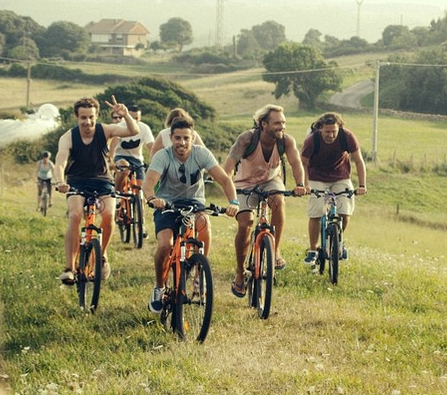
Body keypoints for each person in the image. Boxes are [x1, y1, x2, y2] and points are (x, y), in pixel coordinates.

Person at [141, 116, 239, 313]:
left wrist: (233, 202)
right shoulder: (163, 156)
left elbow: (224, 180)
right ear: (171, 138)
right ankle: (159, 287)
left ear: (192, 138)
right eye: (177, 138)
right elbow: (148, 183)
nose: (182, 143)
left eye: (186, 138)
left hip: (194, 203)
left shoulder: (201, 154)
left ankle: (199, 276)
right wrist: (152, 198)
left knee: (204, 224)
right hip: (166, 203)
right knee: (165, 245)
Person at [222, 104, 306, 298]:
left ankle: (275, 252)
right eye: (277, 123)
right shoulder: (246, 139)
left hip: (270, 180)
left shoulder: (286, 141)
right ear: (263, 124)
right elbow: (228, 165)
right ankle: (240, 272)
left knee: (278, 200)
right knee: (246, 223)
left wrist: (300, 183)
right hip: (244, 183)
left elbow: (296, 163)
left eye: (283, 122)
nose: (281, 127)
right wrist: (229, 192)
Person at [53, 96, 140, 285]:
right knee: (75, 215)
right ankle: (69, 268)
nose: (88, 122)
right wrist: (60, 181)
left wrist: (125, 115)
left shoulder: (105, 130)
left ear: (96, 116)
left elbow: (134, 130)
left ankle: (102, 254)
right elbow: (61, 162)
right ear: (76, 117)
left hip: (102, 182)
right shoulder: (68, 137)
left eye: (91, 117)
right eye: (83, 117)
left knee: (109, 215)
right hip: (77, 182)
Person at [300, 112, 367, 266]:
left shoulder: (347, 137)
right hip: (317, 177)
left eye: (333, 132)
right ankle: (312, 250)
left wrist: (362, 185)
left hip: (340, 177)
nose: (330, 135)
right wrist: (305, 184)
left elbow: (358, 161)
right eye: (327, 132)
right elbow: (302, 162)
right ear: (320, 129)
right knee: (316, 212)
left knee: (345, 210)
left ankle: (339, 241)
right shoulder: (312, 140)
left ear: (339, 128)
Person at [108, 105, 155, 231]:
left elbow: (151, 146)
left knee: (141, 191)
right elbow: (114, 142)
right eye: (132, 118)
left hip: (137, 159)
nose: (134, 121)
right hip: (121, 156)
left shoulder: (144, 128)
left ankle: (141, 225)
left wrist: (156, 161)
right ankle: (118, 196)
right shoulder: (121, 126)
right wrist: (111, 159)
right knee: (124, 168)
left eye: (137, 118)